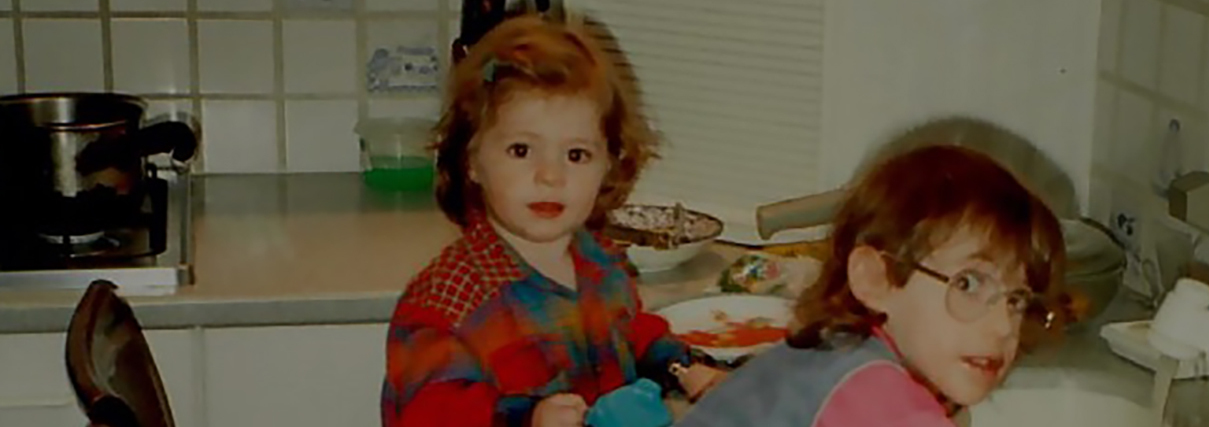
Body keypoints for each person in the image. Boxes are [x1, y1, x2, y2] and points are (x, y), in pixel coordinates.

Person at [381, 14, 724, 427]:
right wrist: (529, 419)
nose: (551, 176)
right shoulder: (444, 302)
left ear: (608, 165)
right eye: (521, 150)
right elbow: (431, 416)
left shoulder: (601, 262)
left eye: (576, 155)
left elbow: (634, 336)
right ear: (472, 160)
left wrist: (684, 370)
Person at [676, 143, 1068, 426]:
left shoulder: (832, 351)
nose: (1003, 328)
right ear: (874, 279)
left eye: (1016, 300)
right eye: (968, 283)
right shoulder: (884, 404)